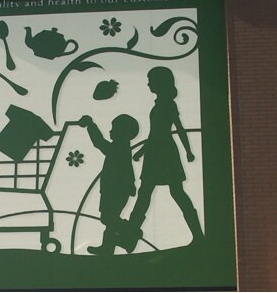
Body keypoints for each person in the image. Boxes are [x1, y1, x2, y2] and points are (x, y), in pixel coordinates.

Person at [125, 66, 203, 252]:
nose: (148, 84)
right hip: (156, 151)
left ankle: (198, 235)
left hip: (164, 152)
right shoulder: (161, 104)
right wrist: (142, 152)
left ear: (160, 83)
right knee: (148, 194)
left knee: (172, 193)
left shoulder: (168, 104)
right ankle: (130, 238)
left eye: (151, 81)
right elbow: (155, 133)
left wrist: (188, 151)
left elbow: (177, 128)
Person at [79, 114, 139, 255]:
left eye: (114, 129)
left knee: (108, 218)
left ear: (122, 132)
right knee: (110, 218)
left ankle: (131, 232)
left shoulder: (119, 148)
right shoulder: (122, 147)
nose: (111, 131)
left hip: (116, 190)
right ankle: (109, 246)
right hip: (114, 189)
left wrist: (91, 125)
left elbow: (100, 143)